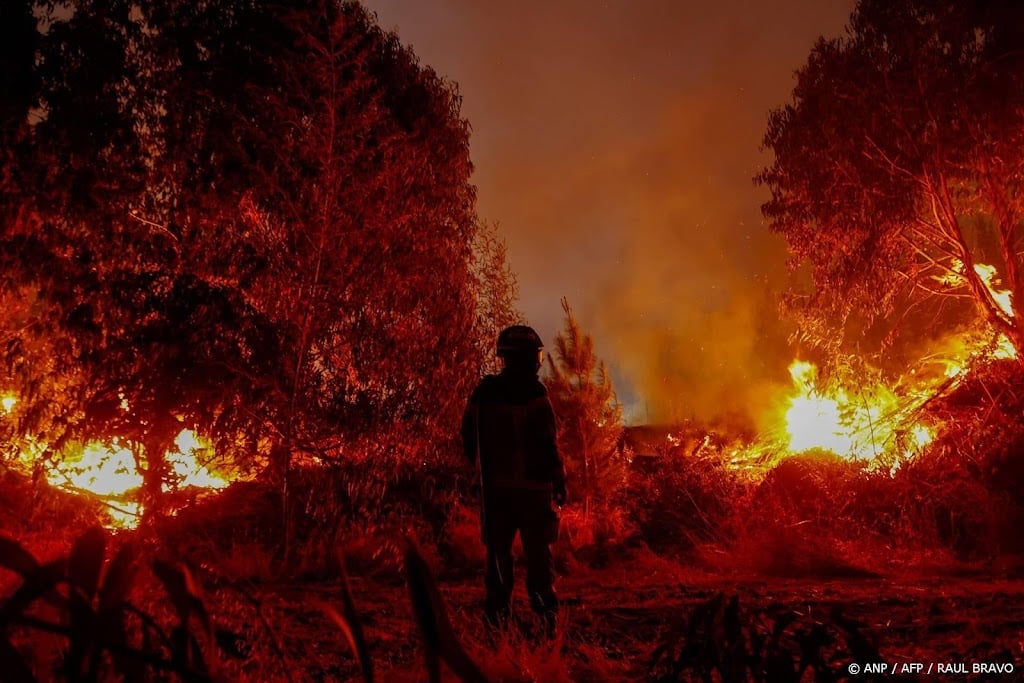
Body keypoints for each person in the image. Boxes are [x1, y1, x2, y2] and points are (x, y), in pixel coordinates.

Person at [462, 325, 567, 632]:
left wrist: (476, 469)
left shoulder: (484, 393)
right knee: (538, 556)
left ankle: (497, 620)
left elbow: (467, 434)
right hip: (534, 492)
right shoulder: (536, 396)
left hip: (495, 492)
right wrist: (559, 480)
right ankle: (546, 617)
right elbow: (548, 444)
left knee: (497, 558)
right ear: (529, 359)